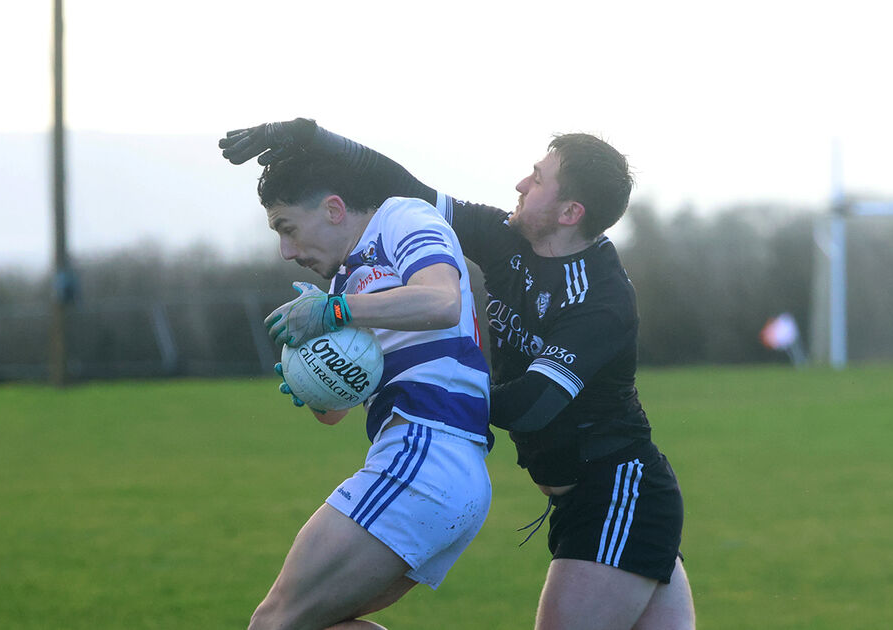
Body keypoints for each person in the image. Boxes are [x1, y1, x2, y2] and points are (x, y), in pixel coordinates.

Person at [220, 120, 696, 629]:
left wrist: (433, 383)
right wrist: (312, 137)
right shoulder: (508, 242)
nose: (520, 184)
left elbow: (533, 407)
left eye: (537, 179)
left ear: (569, 212)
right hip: (591, 499)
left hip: (619, 490)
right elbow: (401, 185)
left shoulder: (603, 300)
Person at [234, 151, 493, 630]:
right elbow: (336, 412)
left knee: (273, 623)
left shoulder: (402, 216)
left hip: (426, 451)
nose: (286, 251)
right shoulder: (343, 281)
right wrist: (312, 383)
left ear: (333, 209)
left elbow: (442, 300)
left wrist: (335, 312)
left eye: (287, 228)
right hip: (427, 461)